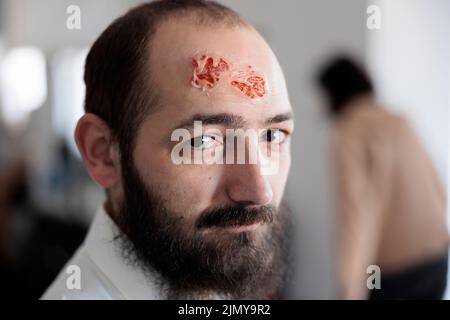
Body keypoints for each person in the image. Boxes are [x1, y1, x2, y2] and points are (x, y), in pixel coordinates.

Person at [42, 0, 295, 300]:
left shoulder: (203, 281)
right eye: (202, 142)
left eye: (271, 135)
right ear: (102, 153)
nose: (259, 191)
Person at [317, 56, 449, 299]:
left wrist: (349, 288)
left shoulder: (349, 133)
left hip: (394, 274)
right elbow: (439, 188)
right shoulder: (400, 121)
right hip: (437, 259)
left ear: (332, 93)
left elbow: (355, 214)